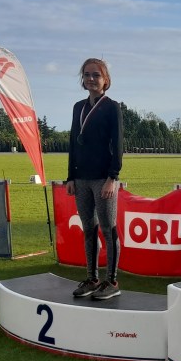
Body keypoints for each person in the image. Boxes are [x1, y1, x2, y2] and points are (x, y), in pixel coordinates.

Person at [66, 57, 123, 300]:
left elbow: (118, 145)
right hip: (81, 179)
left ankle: (112, 281)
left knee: (108, 229)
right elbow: (73, 143)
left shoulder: (112, 107)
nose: (91, 79)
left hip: (103, 179)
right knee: (88, 228)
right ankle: (92, 278)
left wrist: (113, 177)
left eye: (96, 75)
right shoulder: (78, 107)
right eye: (87, 74)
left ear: (105, 79)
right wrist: (70, 176)